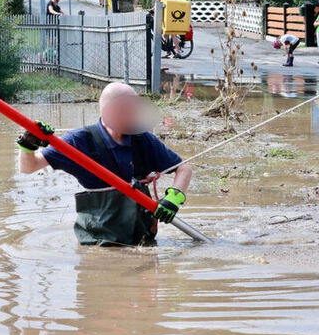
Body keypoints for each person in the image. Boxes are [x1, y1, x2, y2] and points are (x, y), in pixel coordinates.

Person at [16, 81, 193, 246]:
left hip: (142, 239)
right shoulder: (79, 141)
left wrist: (174, 198)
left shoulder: (142, 139)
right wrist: (27, 146)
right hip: (97, 243)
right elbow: (29, 167)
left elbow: (183, 168)